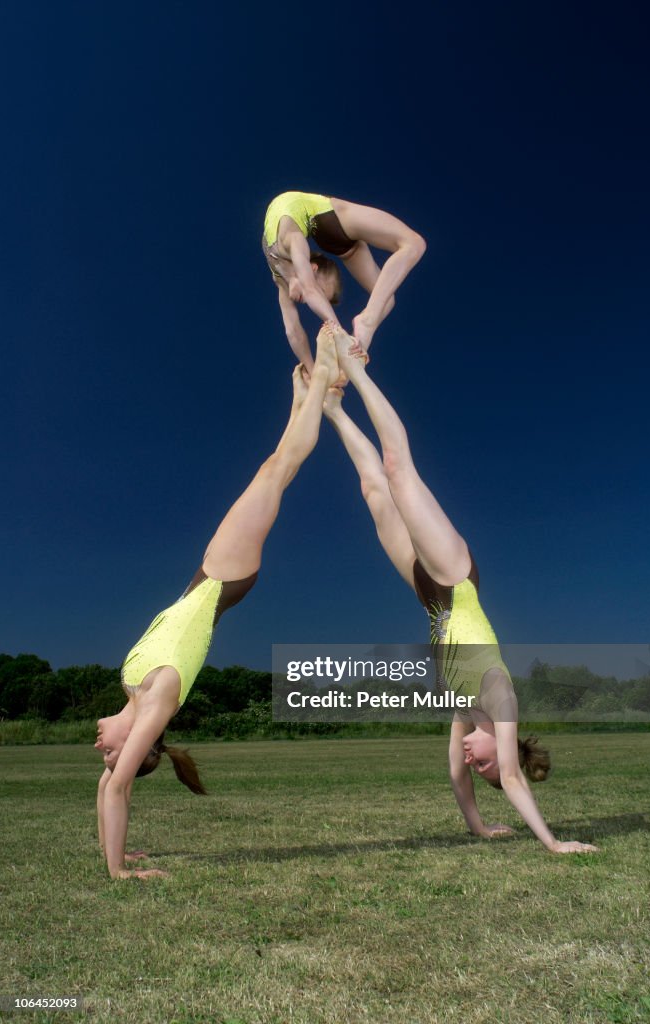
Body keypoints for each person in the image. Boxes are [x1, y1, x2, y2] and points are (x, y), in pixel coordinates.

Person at [321, 322, 598, 854]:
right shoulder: (500, 701)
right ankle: (356, 370)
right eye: (484, 763)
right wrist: (553, 843)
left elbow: (455, 774)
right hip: (455, 578)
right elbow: (511, 778)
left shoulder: (465, 712)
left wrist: (478, 826)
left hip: (429, 596)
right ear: (504, 748)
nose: (473, 761)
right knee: (399, 472)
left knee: (375, 494)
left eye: (479, 766)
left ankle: (333, 409)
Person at [94, 332, 341, 879]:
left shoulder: (133, 688)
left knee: (275, 471)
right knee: (276, 471)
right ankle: (322, 379)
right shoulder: (157, 701)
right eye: (111, 753)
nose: (100, 749)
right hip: (223, 580)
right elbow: (117, 786)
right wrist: (119, 873)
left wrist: (119, 852)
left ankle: (305, 399)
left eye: (106, 755)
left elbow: (111, 788)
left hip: (205, 577)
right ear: (139, 744)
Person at [263, 191, 426, 373]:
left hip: (323, 218)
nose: (315, 301)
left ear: (312, 269)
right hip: (329, 222)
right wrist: (311, 368)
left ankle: (362, 332)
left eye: (321, 294)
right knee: (411, 249)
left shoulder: (289, 246)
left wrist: (339, 335)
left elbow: (309, 293)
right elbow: (293, 331)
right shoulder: (283, 268)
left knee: (390, 289)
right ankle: (363, 330)